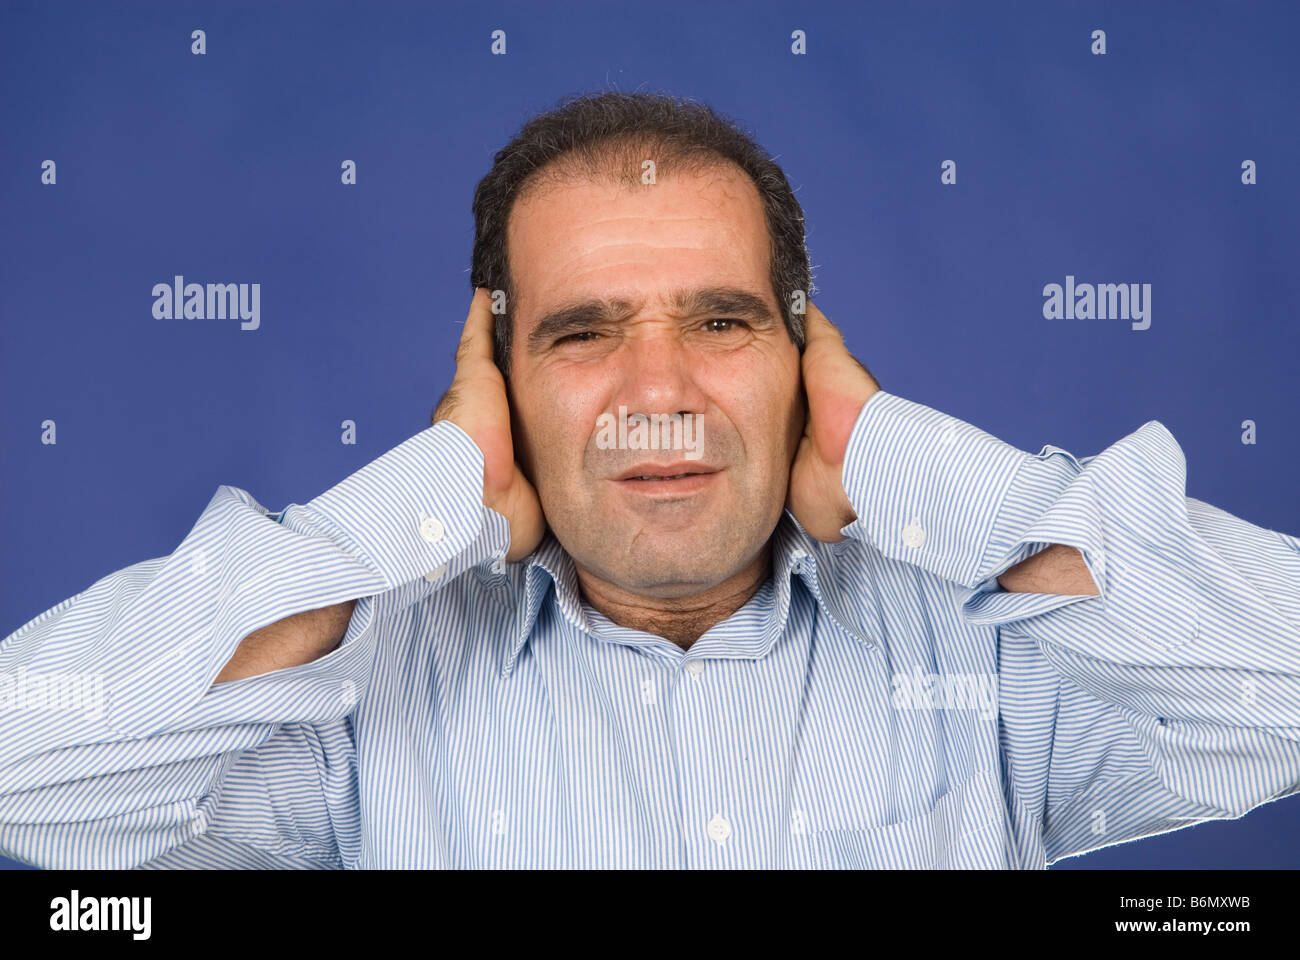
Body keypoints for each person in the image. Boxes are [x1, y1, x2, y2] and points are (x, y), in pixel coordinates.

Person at [2, 92, 1298, 869]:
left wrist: (894, 456)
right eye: (581, 333)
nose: (660, 390)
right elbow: (27, 774)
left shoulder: (1004, 659)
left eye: (724, 323)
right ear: (496, 372)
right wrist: (423, 498)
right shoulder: (351, 693)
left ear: (804, 353)